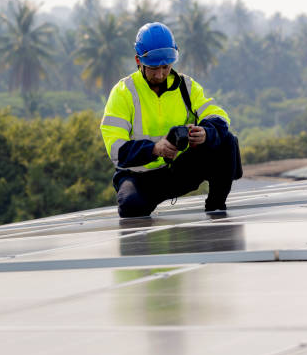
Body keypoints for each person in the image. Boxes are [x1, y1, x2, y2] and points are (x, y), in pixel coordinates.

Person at [100, 22, 241, 217]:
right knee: (131, 206)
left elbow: (219, 116)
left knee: (227, 141)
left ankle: (216, 207)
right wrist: (154, 149)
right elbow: (116, 150)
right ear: (138, 61)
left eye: (165, 67)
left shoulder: (186, 86)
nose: (159, 74)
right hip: (140, 177)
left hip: (178, 171)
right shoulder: (123, 93)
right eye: (153, 68)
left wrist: (206, 132)